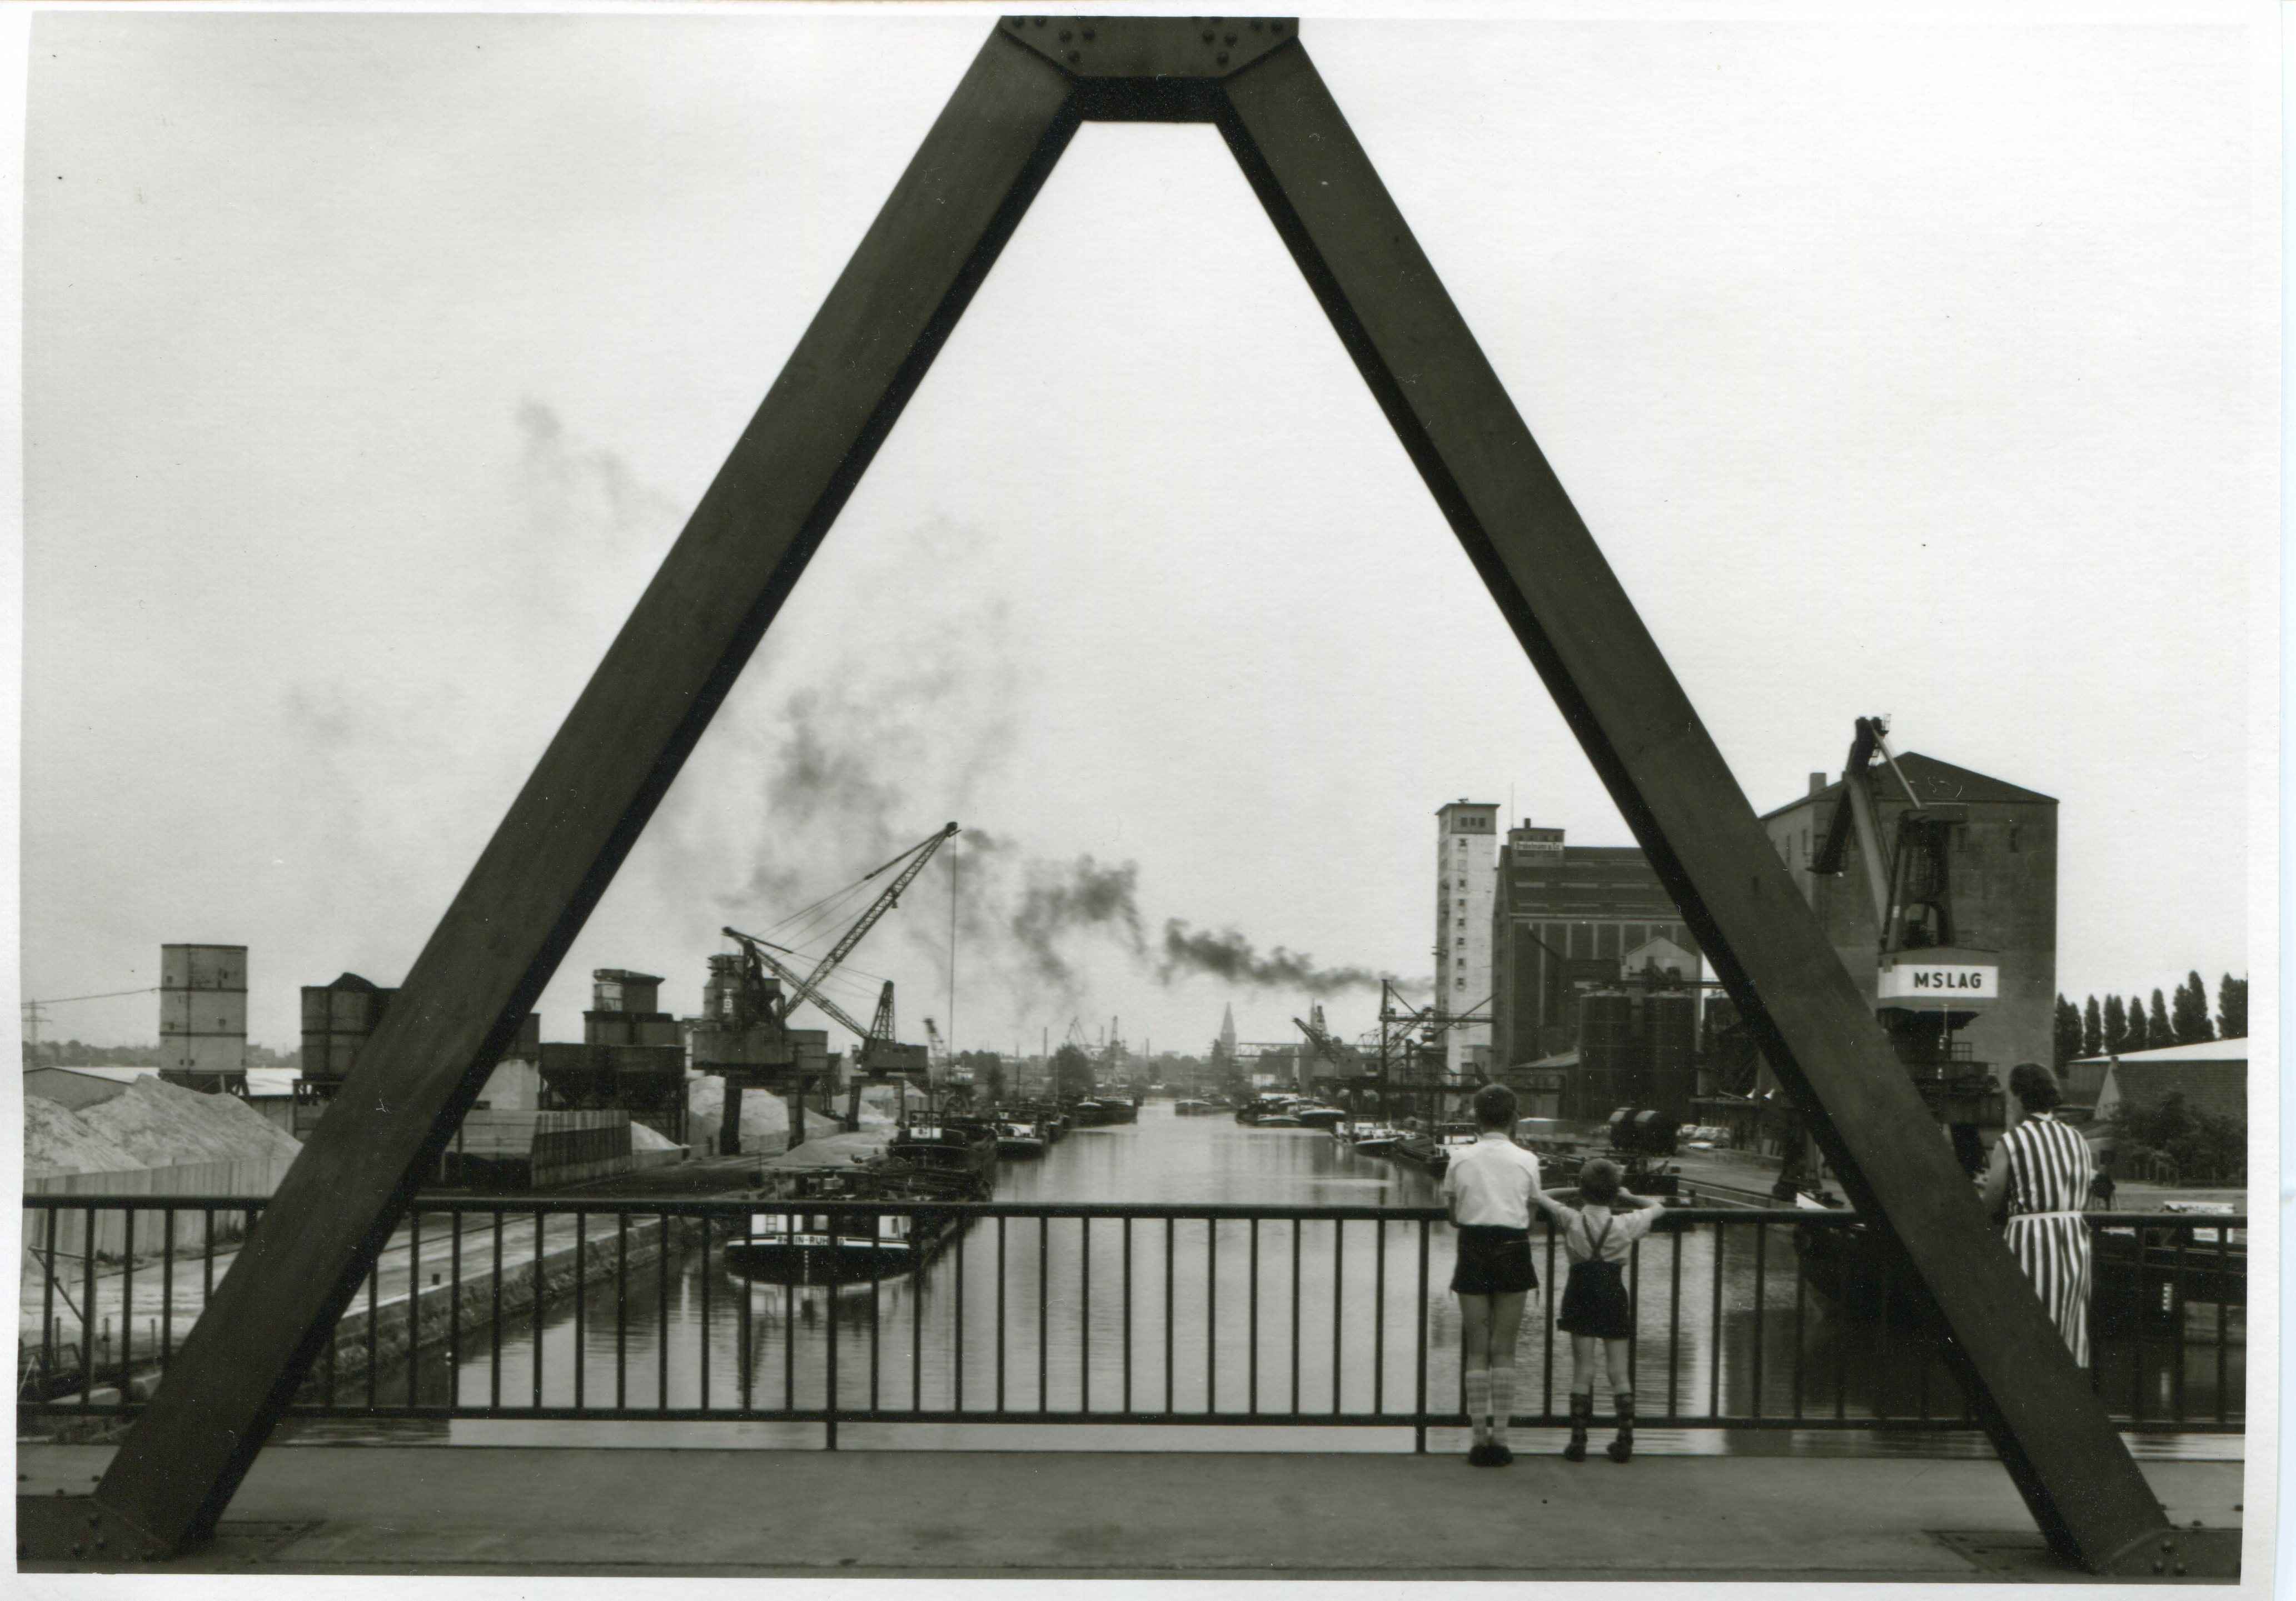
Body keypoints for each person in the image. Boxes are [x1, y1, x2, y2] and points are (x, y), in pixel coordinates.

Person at [1531, 1158, 1669, 1462]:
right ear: (1614, 1192)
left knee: (1583, 1368)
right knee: (1619, 1370)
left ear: (1583, 1190)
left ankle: (1578, 1441)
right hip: (1613, 1293)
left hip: (1580, 1292)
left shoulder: (1571, 1219)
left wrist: (1573, 1191)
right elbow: (1658, 1208)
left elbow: (1539, 1195)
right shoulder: (1625, 1224)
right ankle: (1625, 1441)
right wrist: (1628, 1197)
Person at [1440, 1082, 1542, 1467]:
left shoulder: (1459, 1157)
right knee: (1505, 1349)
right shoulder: (1527, 1159)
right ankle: (1501, 1439)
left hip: (1472, 1249)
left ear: (1476, 1118)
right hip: (1513, 1249)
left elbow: (1453, 1215)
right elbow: (1530, 1216)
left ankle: (1477, 1439)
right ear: (1514, 1118)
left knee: (1477, 1348)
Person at [1979, 1062, 2096, 1366]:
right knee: (2067, 1326)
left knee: (2028, 1324)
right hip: (2073, 1237)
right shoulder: (2076, 1138)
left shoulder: (2012, 1140)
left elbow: (1992, 1199)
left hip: (2032, 1238)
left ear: (2019, 1098)